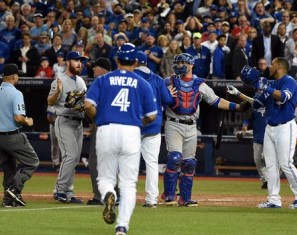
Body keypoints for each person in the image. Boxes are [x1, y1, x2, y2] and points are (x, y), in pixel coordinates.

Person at [84, 43, 157, 235]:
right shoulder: (143, 83)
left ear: (117, 60)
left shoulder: (104, 79)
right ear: (135, 61)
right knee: (129, 183)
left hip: (106, 128)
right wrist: (136, 121)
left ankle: (109, 193)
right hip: (131, 131)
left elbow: (88, 104)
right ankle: (122, 227)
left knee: (105, 177)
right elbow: (152, 115)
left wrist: (98, 118)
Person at [162, 53, 245, 207]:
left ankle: (185, 198)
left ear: (191, 65)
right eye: (178, 63)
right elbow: (157, 98)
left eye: (182, 63)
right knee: (174, 158)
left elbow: (216, 101)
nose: (179, 66)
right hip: (174, 123)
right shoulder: (168, 81)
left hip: (192, 125)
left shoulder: (200, 84)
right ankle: (169, 195)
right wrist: (164, 96)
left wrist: (238, 107)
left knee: (189, 163)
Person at [248, 57, 297, 209]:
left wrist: (265, 87)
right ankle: (274, 199)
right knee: (271, 165)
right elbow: (256, 103)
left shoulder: (289, 81)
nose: (270, 66)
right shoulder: (271, 84)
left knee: (286, 163)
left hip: (285, 126)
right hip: (270, 128)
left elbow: (283, 96)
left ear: (280, 67)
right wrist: (242, 92)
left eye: (273, 64)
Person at [134, 51, 175, 207]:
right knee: (151, 163)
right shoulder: (158, 79)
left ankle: (124, 196)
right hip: (153, 126)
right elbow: (167, 100)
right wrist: (168, 95)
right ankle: (151, 199)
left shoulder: (130, 78)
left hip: (134, 126)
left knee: (127, 161)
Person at [47, 51, 87, 204]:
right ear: (68, 62)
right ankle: (60, 189)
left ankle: (68, 193)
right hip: (64, 121)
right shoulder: (60, 79)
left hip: (78, 122)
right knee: (70, 156)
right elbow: (50, 102)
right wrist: (57, 92)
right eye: (76, 60)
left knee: (74, 158)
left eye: (80, 61)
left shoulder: (81, 82)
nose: (79, 63)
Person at [0, 64, 39, 207]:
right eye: (17, 75)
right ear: (13, 76)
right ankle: (13, 189)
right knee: (32, 162)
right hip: (12, 137)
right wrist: (27, 121)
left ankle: (8, 200)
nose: (18, 77)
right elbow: (18, 117)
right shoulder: (16, 93)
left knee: (9, 168)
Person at [227, 84, 268, 189]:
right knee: (258, 160)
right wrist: (244, 127)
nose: (260, 91)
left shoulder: (270, 100)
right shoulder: (252, 101)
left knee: (268, 159)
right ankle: (266, 181)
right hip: (258, 134)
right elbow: (247, 115)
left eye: (261, 89)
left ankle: (272, 180)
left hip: (270, 135)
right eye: (258, 89)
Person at [86, 57, 112, 206]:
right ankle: (117, 193)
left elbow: (89, 106)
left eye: (95, 67)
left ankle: (99, 196)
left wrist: (95, 118)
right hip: (121, 126)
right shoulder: (118, 81)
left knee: (95, 160)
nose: (93, 69)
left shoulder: (100, 81)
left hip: (103, 124)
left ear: (102, 69)